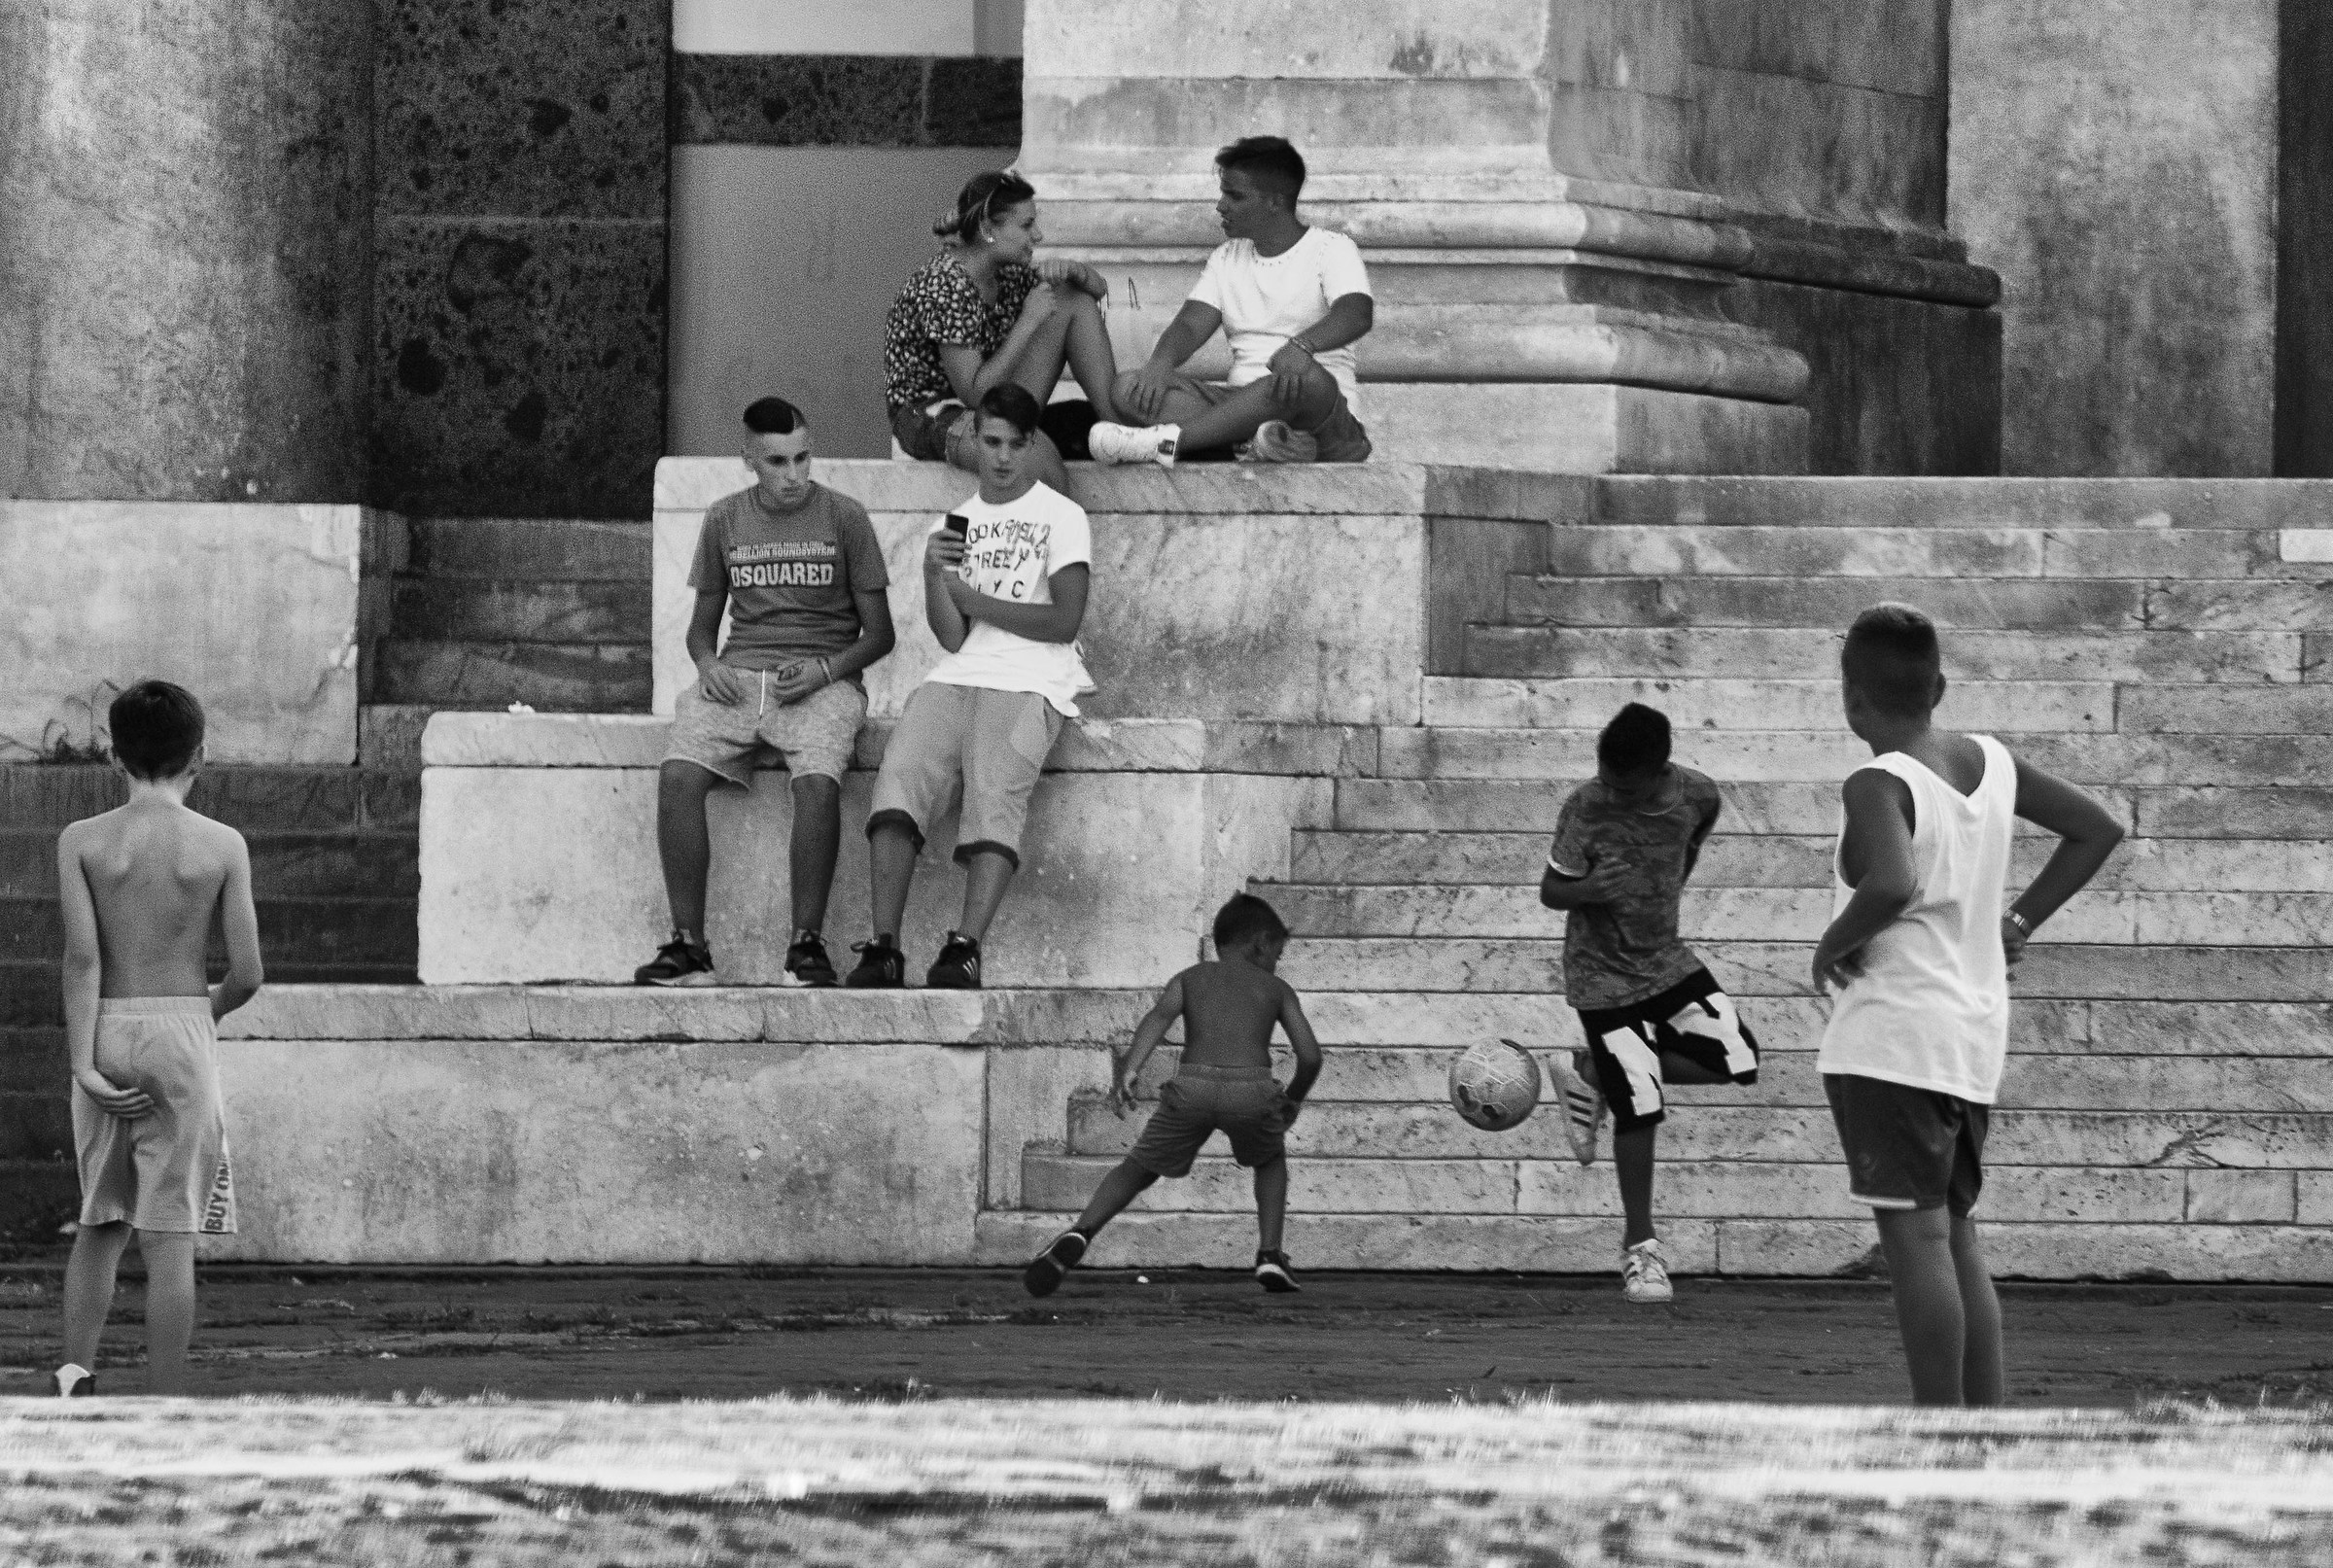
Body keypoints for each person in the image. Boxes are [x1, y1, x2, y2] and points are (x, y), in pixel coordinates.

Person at [1813, 605, 2122, 1407]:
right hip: (1972, 1039)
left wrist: (1829, 945)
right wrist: (2017, 920)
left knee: (1914, 1243)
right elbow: (2096, 828)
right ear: (1939, 686)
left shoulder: (1876, 781)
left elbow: (1890, 881)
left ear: (1851, 700)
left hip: (1892, 1043)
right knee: (1956, 1237)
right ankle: (1982, 1430)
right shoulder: (1989, 761)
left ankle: (1937, 1434)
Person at [635, 397, 895, 988]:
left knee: (818, 780)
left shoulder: (845, 517)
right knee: (677, 774)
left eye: (803, 458)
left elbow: (880, 634)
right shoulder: (725, 518)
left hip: (818, 682)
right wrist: (706, 664)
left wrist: (827, 670)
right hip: (738, 676)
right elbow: (702, 628)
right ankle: (688, 947)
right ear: (749, 457)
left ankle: (807, 945)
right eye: (777, 462)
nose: (794, 475)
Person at [845, 383, 1092, 991]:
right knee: (897, 785)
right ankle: (884, 947)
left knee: (993, 798)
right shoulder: (957, 522)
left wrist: (976, 598)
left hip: (1034, 677)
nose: (1002, 457)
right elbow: (952, 636)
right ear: (974, 439)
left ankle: (965, 947)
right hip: (960, 672)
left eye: (1014, 444)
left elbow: (1064, 620)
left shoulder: (1061, 515)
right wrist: (934, 572)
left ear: (1031, 445)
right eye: (991, 442)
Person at [53, 681, 262, 1396]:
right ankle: (165, 1395)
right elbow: (248, 971)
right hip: (182, 1029)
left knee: (100, 1219)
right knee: (170, 1233)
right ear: (199, 754)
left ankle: (74, 1376)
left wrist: (83, 1063)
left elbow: (82, 958)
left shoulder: (82, 841)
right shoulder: (222, 845)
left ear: (114, 755)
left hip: (106, 1026)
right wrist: (203, 1008)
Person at [1537, 703, 1760, 1305]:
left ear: (1659, 768)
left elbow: (1687, 848)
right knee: (1641, 1101)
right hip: (1601, 973)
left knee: (1738, 1058)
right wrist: (1587, 889)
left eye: (1623, 782)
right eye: (1605, 775)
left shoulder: (1698, 796)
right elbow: (1550, 890)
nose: (1611, 789)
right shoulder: (1585, 806)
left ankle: (1597, 1072)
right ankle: (1642, 1252)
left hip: (1664, 959)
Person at [1022, 893, 1323, 1297]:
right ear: (1261, 943)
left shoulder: (1190, 978)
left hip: (1191, 1087)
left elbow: (1159, 1017)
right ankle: (1270, 1253)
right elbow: (1310, 1056)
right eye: (1277, 954)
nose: (1276, 963)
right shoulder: (1276, 988)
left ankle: (1081, 1231)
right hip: (1251, 1090)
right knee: (1270, 1159)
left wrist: (1129, 1069)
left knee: (1138, 1167)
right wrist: (1293, 1099)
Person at [1088, 135, 1374, 468]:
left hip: (1321, 413)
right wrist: (1159, 366)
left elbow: (1356, 314)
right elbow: (1190, 325)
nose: (1221, 205)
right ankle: (1267, 440)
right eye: (1223, 193)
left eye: (1234, 195)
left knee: (1307, 378)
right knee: (1129, 387)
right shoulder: (1226, 257)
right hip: (1239, 404)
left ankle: (1168, 443)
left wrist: (1303, 346)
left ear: (1275, 202)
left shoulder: (1332, 248)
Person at [882, 169, 1120, 496]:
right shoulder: (945, 283)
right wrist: (1028, 322)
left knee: (1072, 299)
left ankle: (1120, 432)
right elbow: (973, 394)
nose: (1037, 235)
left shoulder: (1006, 272)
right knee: (1040, 466)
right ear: (988, 228)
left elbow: (1096, 290)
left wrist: (1078, 271)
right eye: (1026, 225)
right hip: (931, 413)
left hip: (993, 399)